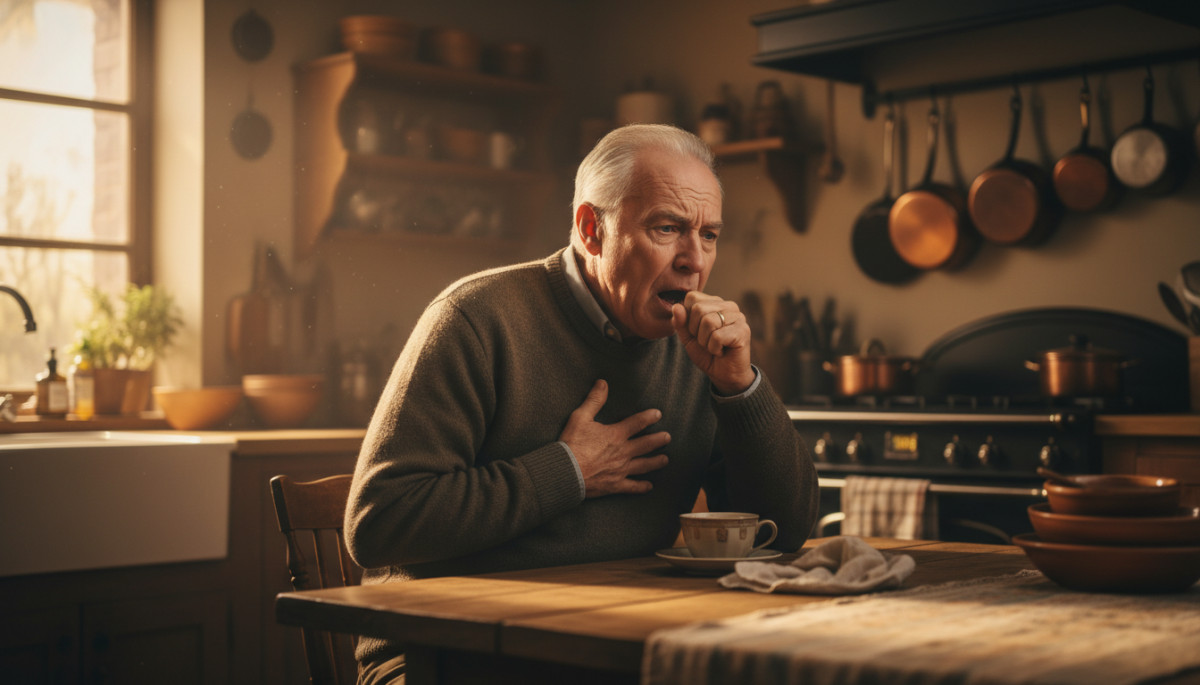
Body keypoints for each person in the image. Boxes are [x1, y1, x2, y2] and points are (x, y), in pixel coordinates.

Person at [345, 123, 819, 683]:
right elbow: (378, 524)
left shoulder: (699, 350)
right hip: (442, 652)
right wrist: (567, 471)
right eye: (667, 228)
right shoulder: (475, 318)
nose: (694, 259)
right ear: (592, 230)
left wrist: (740, 389)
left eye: (709, 234)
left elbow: (784, 533)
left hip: (611, 645)